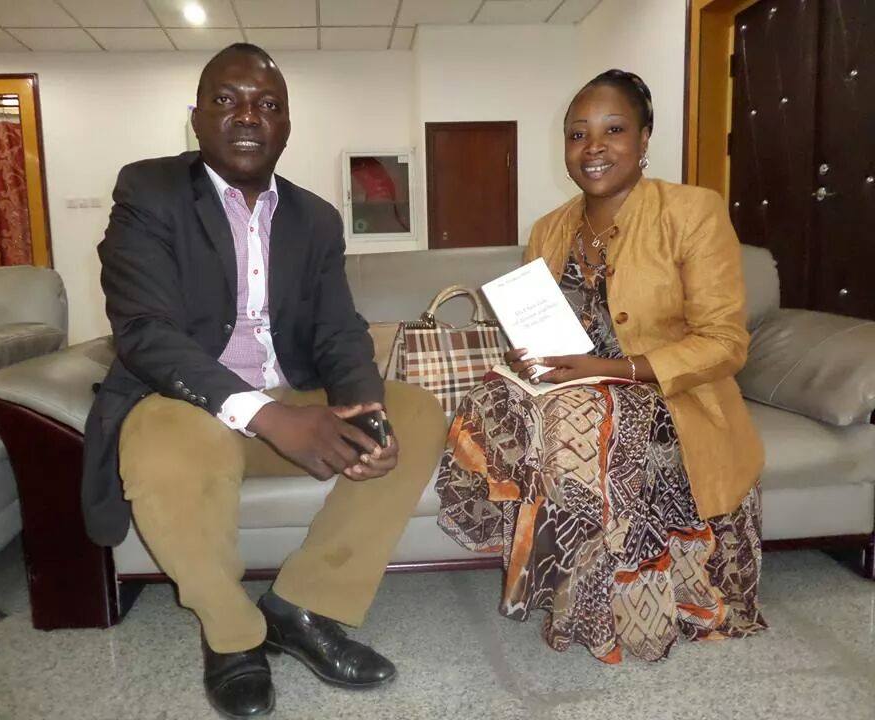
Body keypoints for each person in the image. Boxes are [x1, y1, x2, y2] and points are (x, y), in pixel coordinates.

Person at [81, 43, 445, 717]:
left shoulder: (315, 218)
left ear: (286, 125)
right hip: (187, 405)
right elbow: (145, 333)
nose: (248, 116)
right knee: (160, 445)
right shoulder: (149, 192)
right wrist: (271, 418)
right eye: (227, 100)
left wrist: (363, 406)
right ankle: (232, 636)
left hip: (293, 393)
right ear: (196, 117)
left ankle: (302, 609)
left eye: (268, 104)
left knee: (416, 414)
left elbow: (338, 329)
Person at [436, 69, 767, 663]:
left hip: (670, 398)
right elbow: (548, 330)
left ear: (644, 139)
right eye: (577, 134)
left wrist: (611, 369)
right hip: (576, 387)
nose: (593, 147)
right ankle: (563, 581)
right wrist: (528, 354)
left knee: (579, 417)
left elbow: (724, 343)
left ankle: (614, 610)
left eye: (613, 130)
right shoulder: (548, 230)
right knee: (493, 395)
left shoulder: (691, 211)